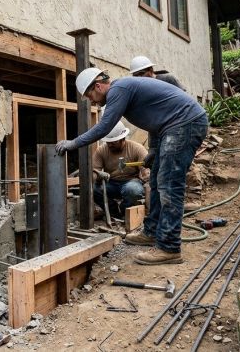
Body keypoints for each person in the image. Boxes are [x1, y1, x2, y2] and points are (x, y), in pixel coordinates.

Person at [56, 68, 207, 265]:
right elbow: (155, 119)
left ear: (98, 86)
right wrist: (153, 149)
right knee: (157, 180)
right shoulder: (124, 89)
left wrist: (73, 143)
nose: (92, 101)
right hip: (173, 127)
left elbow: (105, 126)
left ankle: (169, 248)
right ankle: (152, 232)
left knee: (169, 184)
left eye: (89, 96)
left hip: (185, 124)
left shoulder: (118, 90)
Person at [92, 121, 147, 217]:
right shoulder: (101, 150)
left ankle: (124, 210)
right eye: (108, 142)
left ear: (122, 138)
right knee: (94, 189)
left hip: (131, 181)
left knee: (133, 190)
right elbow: (94, 172)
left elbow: (146, 170)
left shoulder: (137, 148)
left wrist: (146, 174)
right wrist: (98, 175)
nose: (110, 145)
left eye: (113, 142)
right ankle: (113, 211)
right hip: (111, 182)